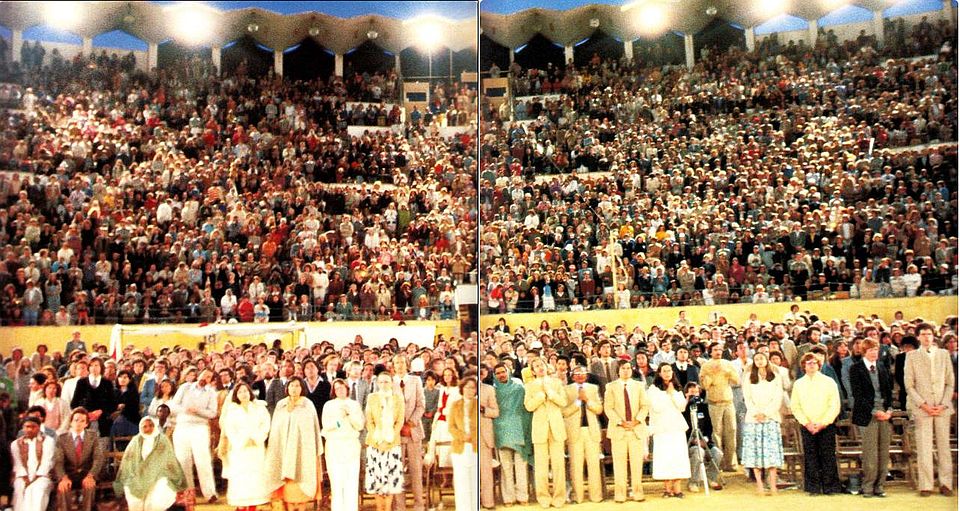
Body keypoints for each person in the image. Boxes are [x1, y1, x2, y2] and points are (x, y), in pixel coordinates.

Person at [903, 323, 955, 496]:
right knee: (924, 447)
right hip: (922, 408)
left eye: (929, 334)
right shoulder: (911, 356)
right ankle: (926, 485)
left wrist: (943, 403)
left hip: (942, 407)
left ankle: (946, 484)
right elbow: (909, 386)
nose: (927, 337)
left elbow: (950, 382)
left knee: (944, 447)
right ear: (918, 337)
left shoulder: (944, 354)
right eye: (923, 334)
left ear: (934, 336)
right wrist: (923, 404)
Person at [265, 378, 324, 511]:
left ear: (302, 388)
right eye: (292, 385)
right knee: (288, 490)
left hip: (303, 453)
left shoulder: (308, 405)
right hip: (285, 453)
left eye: (297, 386)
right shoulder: (281, 405)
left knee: (301, 488)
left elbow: (312, 429)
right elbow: (276, 430)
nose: (294, 389)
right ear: (287, 388)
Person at [791, 353, 842, 495]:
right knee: (811, 456)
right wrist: (806, 423)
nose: (812, 365)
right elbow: (795, 406)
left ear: (819, 365)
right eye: (808, 363)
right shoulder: (798, 384)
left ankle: (830, 487)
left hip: (826, 424)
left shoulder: (829, 382)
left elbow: (834, 405)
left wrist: (823, 423)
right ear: (804, 366)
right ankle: (813, 487)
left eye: (814, 363)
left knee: (828, 455)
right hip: (808, 425)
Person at [849, 338, 894, 498]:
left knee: (883, 451)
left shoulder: (882, 367)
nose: (874, 352)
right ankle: (868, 486)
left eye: (876, 349)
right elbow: (858, 396)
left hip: (885, 414)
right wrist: (875, 411)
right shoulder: (856, 369)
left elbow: (888, 392)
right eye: (871, 350)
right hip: (867, 415)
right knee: (870, 453)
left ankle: (880, 486)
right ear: (864, 352)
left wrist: (888, 410)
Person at [114, 416, 188, 511]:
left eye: (151, 425)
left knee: (159, 495)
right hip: (138, 475)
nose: (148, 428)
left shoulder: (163, 440)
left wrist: (155, 471)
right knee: (132, 492)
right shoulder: (136, 441)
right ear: (141, 428)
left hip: (159, 474)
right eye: (145, 427)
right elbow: (128, 460)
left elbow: (170, 460)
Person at [169, 367, 219, 504]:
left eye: (209, 377)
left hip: (200, 427)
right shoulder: (185, 387)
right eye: (204, 375)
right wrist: (186, 410)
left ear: (211, 380)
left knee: (202, 460)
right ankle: (188, 493)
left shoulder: (211, 393)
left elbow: (213, 413)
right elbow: (173, 406)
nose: (205, 378)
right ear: (199, 374)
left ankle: (210, 493)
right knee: (183, 460)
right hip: (182, 426)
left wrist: (197, 411)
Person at [219, 382, 271, 510]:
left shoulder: (259, 408)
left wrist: (257, 438)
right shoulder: (232, 411)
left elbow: (265, 425)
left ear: (250, 392)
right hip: (239, 449)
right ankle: (241, 506)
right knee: (241, 478)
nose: (243, 394)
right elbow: (230, 429)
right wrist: (241, 441)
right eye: (240, 392)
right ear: (236, 395)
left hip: (256, 448)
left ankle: (253, 506)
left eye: (245, 391)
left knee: (255, 477)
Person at [604, 359, 649, 503]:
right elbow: (608, 408)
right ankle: (620, 494)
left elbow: (645, 406)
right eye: (623, 368)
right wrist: (620, 422)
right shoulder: (610, 387)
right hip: (619, 430)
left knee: (637, 463)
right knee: (619, 463)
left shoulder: (639, 386)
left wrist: (636, 421)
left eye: (629, 368)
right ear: (618, 370)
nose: (626, 370)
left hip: (636, 428)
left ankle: (637, 492)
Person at [524, 356, 567, 508]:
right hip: (540, 428)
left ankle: (559, 497)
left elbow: (563, 402)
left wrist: (551, 394)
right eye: (536, 366)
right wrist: (540, 397)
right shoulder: (529, 386)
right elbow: (528, 406)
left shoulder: (556, 383)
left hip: (556, 427)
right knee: (541, 466)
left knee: (558, 464)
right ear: (533, 370)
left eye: (541, 364)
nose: (539, 367)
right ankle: (543, 497)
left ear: (546, 365)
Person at [741, 352, 783, 495]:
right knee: (755, 452)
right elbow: (747, 398)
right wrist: (756, 413)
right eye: (756, 359)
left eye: (762, 358)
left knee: (771, 453)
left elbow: (778, 397)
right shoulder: (748, 378)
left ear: (767, 360)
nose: (759, 361)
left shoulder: (776, 377)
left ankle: (772, 485)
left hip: (770, 418)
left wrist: (766, 413)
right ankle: (759, 485)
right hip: (753, 419)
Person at [321, 379, 365, 511]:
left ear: (347, 388)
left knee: (351, 481)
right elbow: (326, 425)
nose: (340, 390)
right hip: (335, 445)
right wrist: (339, 421)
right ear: (334, 391)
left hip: (351, 444)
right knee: (337, 481)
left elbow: (360, 425)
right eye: (337, 388)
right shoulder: (329, 405)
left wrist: (349, 414)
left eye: (342, 387)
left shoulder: (354, 404)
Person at [648, 363, 691, 498]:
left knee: (678, 457)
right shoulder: (653, 389)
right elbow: (656, 407)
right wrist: (667, 393)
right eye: (664, 371)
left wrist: (672, 393)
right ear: (659, 373)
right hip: (662, 429)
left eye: (669, 371)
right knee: (665, 458)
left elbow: (682, 406)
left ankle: (677, 488)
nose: (667, 373)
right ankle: (667, 489)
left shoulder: (677, 388)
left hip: (676, 428)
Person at [492, 363, 531, 506]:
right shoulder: (493, 391)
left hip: (518, 430)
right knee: (506, 467)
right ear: (495, 375)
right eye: (498, 373)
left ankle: (523, 496)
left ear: (509, 372)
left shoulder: (519, 388)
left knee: (521, 466)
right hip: (500, 431)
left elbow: (526, 408)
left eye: (503, 372)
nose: (501, 375)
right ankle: (508, 498)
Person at [365, 371, 405, 511]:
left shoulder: (398, 398)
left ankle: (387, 508)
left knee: (390, 480)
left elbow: (400, 421)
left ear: (391, 383)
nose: (383, 384)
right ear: (377, 383)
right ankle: (379, 508)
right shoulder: (372, 398)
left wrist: (390, 439)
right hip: (375, 443)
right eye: (381, 382)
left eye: (386, 381)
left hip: (392, 444)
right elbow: (369, 421)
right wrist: (378, 439)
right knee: (377, 480)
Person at [563, 365, 603, 503]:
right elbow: (564, 412)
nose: (580, 375)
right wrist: (578, 401)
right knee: (576, 465)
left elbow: (599, 409)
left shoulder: (593, 388)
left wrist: (587, 400)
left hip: (591, 430)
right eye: (577, 373)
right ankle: (577, 497)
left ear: (586, 375)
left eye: (583, 373)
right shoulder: (566, 390)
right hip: (575, 431)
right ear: (572, 376)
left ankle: (596, 496)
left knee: (594, 465)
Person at [53, 408, 105, 511]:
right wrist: (63, 477)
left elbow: (98, 458)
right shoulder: (62, 438)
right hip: (68, 474)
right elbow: (58, 461)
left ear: (86, 424)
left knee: (89, 486)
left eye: (82, 421)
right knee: (63, 488)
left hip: (87, 473)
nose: (78, 423)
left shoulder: (93, 436)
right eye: (76, 420)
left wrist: (91, 475)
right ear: (71, 422)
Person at [699, 341, 740, 471]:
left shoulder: (728, 364)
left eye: (720, 350)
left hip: (728, 401)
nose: (718, 352)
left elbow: (737, 381)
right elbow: (704, 386)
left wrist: (727, 372)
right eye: (715, 349)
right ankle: (718, 462)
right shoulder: (706, 366)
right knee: (716, 433)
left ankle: (731, 462)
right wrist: (712, 374)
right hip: (714, 402)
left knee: (732, 430)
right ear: (710, 352)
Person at [391, 354, 425, 511]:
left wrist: (410, 424)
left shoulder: (415, 380)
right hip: (396, 433)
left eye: (402, 362)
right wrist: (398, 425)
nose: (399, 365)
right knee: (397, 471)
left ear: (407, 364)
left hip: (413, 431)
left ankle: (419, 505)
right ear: (393, 366)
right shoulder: (389, 382)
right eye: (396, 363)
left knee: (416, 470)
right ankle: (400, 506)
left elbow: (421, 405)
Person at [682, 382, 723, 493]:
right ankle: (693, 482)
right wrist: (694, 441)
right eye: (692, 393)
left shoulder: (704, 407)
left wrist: (705, 439)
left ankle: (711, 477)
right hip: (690, 443)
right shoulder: (683, 409)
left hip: (705, 441)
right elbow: (684, 429)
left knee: (718, 453)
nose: (695, 395)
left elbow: (709, 427)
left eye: (697, 392)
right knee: (698, 452)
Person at [11, 416, 54, 511]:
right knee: (19, 488)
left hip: (42, 476)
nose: (30, 429)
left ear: (39, 427)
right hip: (23, 477)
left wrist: (35, 477)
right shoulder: (15, 444)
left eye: (33, 426)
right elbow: (17, 464)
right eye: (27, 426)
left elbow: (47, 461)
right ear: (23, 428)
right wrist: (25, 477)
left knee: (36, 489)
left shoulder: (48, 441)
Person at [448, 376, 479, 511]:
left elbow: (482, 426)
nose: (469, 390)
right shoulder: (455, 405)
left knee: (474, 481)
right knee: (461, 482)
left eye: (472, 387)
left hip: (475, 447)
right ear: (462, 388)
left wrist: (472, 436)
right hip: (459, 447)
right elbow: (451, 427)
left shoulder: (479, 404)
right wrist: (462, 436)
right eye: (467, 387)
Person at [478, 373, 499, 509]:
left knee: (485, 471)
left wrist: (482, 409)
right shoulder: (462, 389)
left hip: (484, 435)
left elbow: (496, 412)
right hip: (467, 436)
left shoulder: (488, 389)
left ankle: (488, 502)